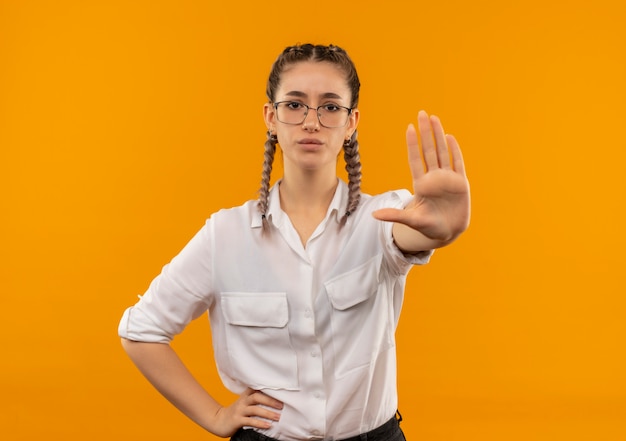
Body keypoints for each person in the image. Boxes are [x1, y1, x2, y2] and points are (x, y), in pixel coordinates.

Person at [118, 43, 470, 441]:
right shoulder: (225, 235)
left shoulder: (382, 218)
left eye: (331, 107)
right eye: (295, 104)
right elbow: (141, 330)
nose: (311, 122)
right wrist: (215, 415)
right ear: (271, 116)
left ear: (352, 122)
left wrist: (443, 229)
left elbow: (410, 234)